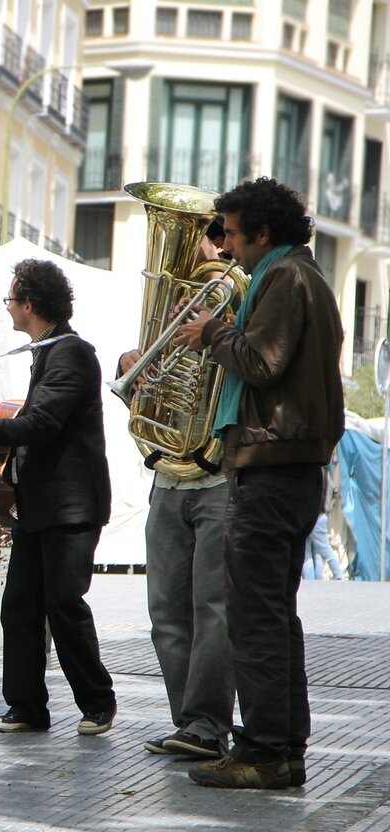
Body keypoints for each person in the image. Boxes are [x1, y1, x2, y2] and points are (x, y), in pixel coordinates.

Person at [174, 177, 345, 789]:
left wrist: (211, 333)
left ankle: (267, 750)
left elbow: (262, 361)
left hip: (272, 470)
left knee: (255, 618)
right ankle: (281, 746)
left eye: (229, 232)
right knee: (272, 616)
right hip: (288, 468)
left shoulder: (282, 277)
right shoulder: (302, 276)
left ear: (262, 232)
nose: (222, 245)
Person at [0, 258, 115, 735]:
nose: (9, 308)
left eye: (12, 300)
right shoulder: (48, 352)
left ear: (31, 305)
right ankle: (26, 708)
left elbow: (41, 425)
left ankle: (98, 702)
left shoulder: (73, 354)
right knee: (18, 607)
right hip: (41, 505)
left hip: (70, 507)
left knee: (64, 605)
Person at [117, 232, 235, 760]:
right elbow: (140, 365)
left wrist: (212, 334)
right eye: (207, 240)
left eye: (215, 239)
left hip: (218, 476)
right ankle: (186, 722)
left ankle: (208, 726)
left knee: (212, 609)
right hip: (168, 475)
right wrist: (132, 363)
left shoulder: (238, 295)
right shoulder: (178, 301)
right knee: (165, 610)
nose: (207, 251)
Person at [302, 469, 343, 580]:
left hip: (313, 515)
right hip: (322, 515)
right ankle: (317, 579)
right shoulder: (326, 474)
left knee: (312, 553)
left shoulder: (313, 474)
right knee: (318, 552)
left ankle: (338, 576)